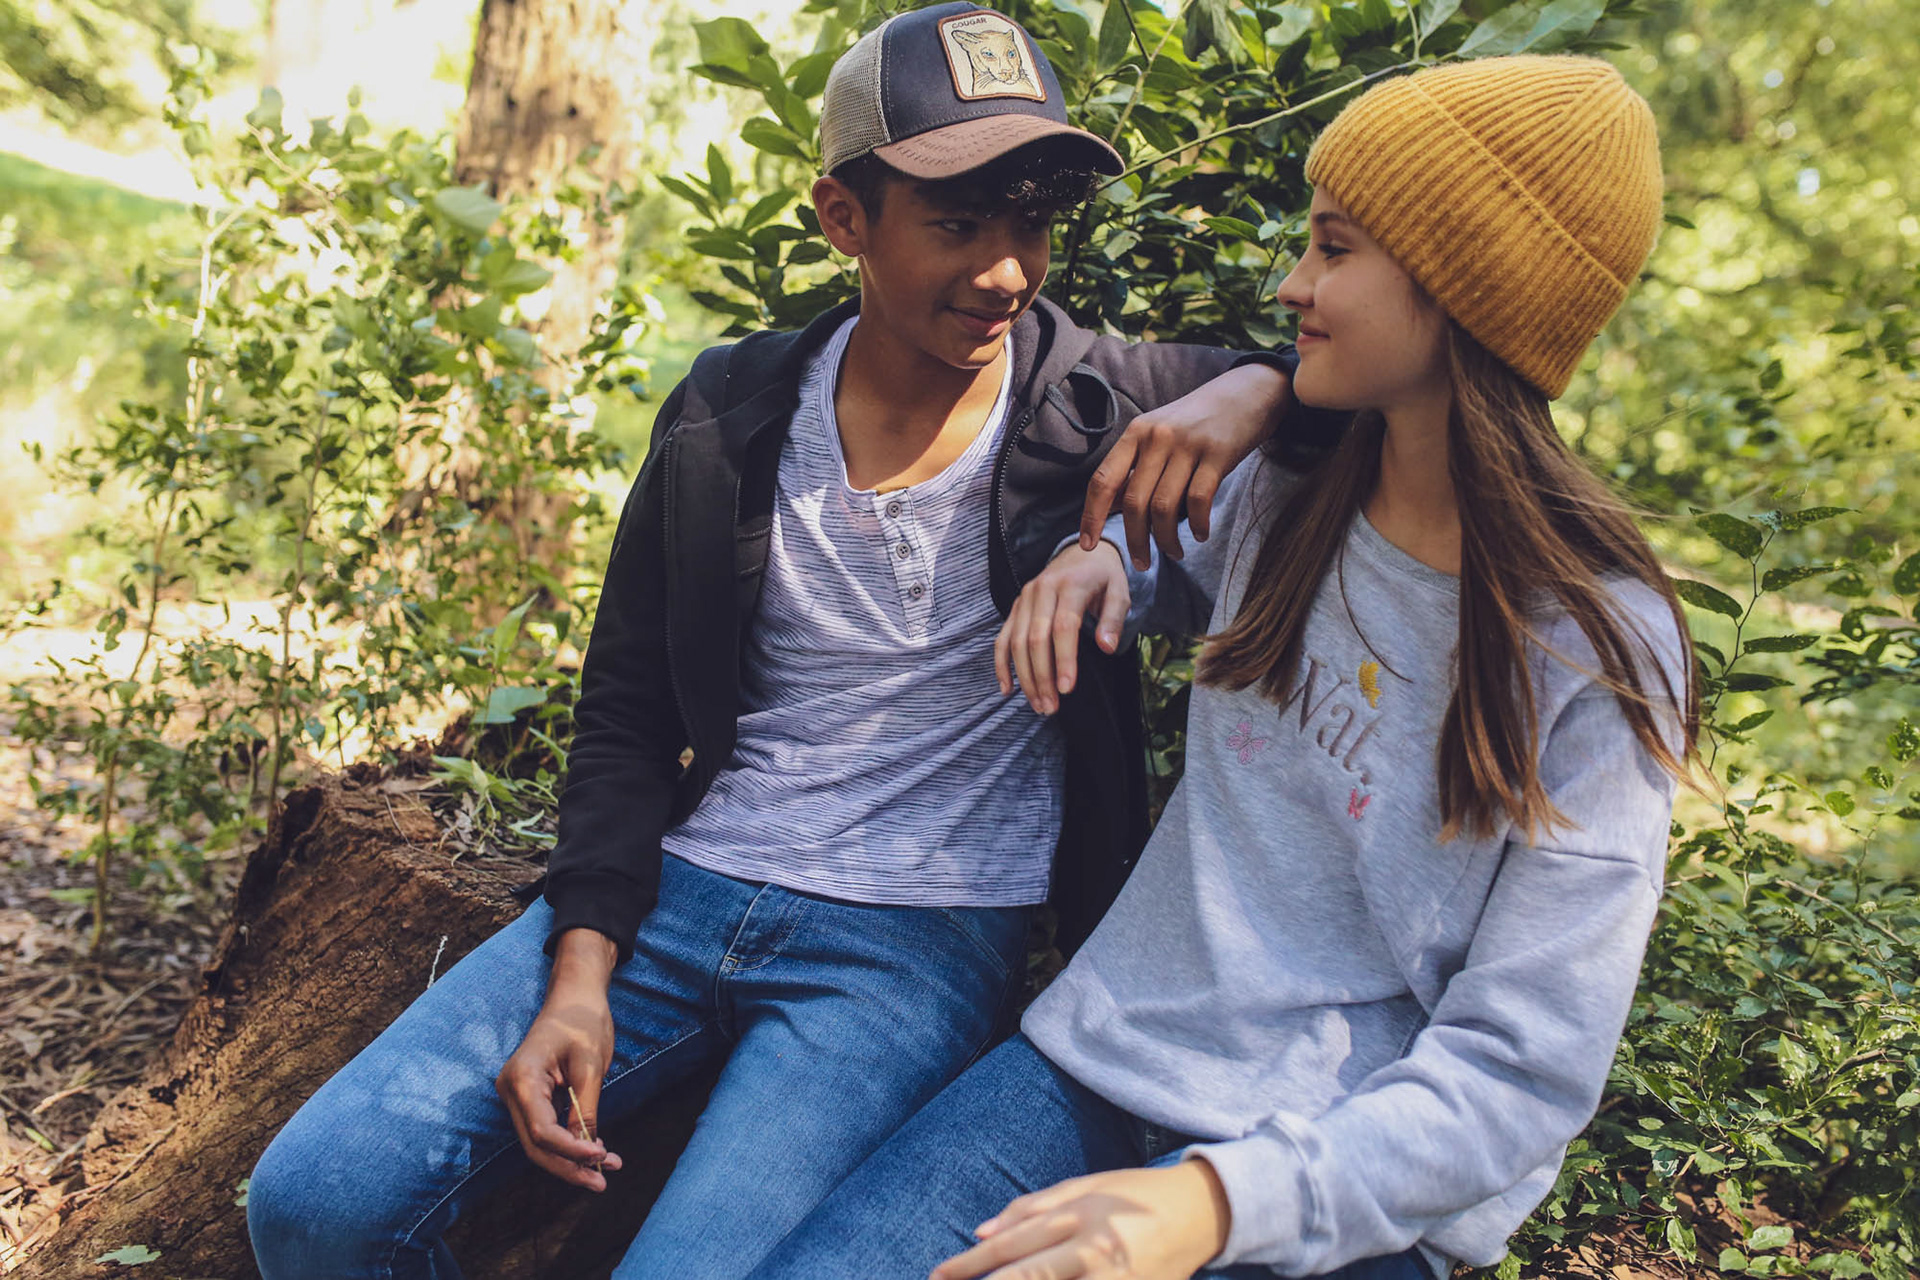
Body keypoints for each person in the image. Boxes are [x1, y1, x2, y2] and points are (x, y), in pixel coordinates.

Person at [243, 5, 1339, 1278]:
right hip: (677, 891)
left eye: (1032, 222)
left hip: (911, 947)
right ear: (842, 216)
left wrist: (1257, 385)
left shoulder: (1103, 404)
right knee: (314, 1200)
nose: (1006, 270)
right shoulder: (729, 408)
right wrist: (580, 969)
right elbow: (628, 709)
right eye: (958, 223)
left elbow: (1372, 391)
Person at [747, 54, 1699, 1280]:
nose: (1293, 283)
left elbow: (1523, 1073)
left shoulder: (1597, 647)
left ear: (1466, 288)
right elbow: (1148, 557)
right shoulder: (1286, 495)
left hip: (1348, 1189)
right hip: (1096, 1069)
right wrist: (1093, 562)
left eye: (1335, 249)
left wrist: (1210, 1203)